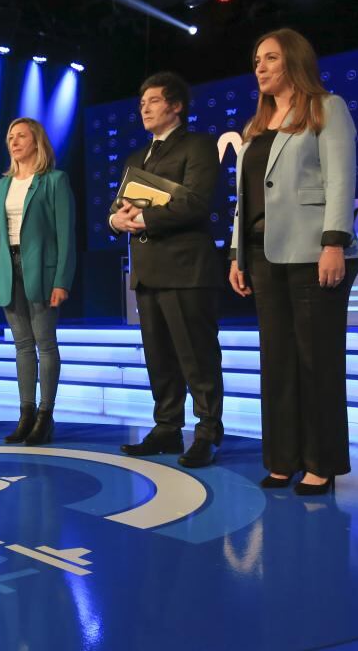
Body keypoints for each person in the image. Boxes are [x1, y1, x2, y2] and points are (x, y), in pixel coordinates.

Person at [228, 28, 358, 495]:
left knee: (316, 362)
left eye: (270, 58)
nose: (259, 67)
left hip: (313, 253)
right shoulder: (255, 126)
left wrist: (333, 242)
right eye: (256, 59)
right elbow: (245, 201)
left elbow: (341, 180)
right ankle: (282, 459)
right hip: (264, 256)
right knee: (277, 362)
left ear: (295, 61)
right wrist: (236, 254)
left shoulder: (327, 107)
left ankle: (320, 463)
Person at [110, 72, 225, 468]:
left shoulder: (198, 146)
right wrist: (115, 221)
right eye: (142, 102)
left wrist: (142, 220)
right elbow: (118, 209)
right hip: (147, 272)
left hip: (187, 270)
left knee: (198, 357)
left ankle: (208, 431)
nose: (145, 107)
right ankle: (167, 427)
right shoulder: (135, 158)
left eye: (154, 101)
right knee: (159, 358)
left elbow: (194, 203)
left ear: (176, 106)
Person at [0, 118, 75, 445]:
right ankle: (26, 414)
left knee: (45, 344)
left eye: (21, 136)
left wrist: (62, 280)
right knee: (23, 346)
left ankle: (45, 417)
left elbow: (66, 235)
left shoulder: (54, 180)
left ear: (36, 141)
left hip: (42, 273)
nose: (14, 141)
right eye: (10, 136)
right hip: (9, 271)